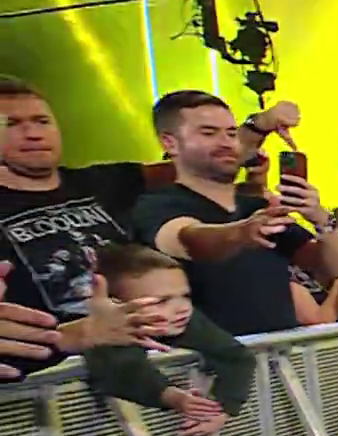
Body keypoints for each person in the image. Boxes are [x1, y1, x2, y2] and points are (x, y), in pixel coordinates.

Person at [0, 77, 292, 375]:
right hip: (54, 378)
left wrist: (257, 127)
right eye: (11, 124)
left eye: (42, 121)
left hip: (153, 362)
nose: (32, 134)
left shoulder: (103, 182)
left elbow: (203, 159)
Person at [130, 90, 338, 337]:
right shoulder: (158, 205)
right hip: (212, 357)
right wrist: (242, 233)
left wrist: (322, 220)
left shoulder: (256, 208)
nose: (226, 143)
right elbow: (189, 239)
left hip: (280, 353)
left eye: (231, 133)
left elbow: (337, 269)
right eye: (208, 133)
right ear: (170, 143)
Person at [81, 244, 252, 436]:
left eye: (185, 296)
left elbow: (236, 356)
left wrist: (221, 408)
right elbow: (122, 368)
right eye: (161, 301)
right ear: (113, 304)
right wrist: (172, 396)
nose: (183, 308)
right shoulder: (96, 329)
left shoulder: (185, 319)